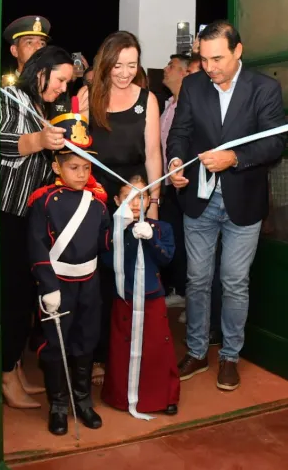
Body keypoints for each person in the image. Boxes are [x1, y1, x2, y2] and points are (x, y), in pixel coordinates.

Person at [167, 20, 286, 391]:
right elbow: (180, 133)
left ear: (238, 50)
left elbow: (273, 144)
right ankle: (199, 351)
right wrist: (174, 163)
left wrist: (233, 157)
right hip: (198, 200)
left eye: (217, 58)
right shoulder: (192, 85)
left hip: (244, 202)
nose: (210, 67)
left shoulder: (264, 89)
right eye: (204, 59)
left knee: (234, 282)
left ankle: (230, 356)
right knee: (197, 280)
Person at [0, 45, 77, 409]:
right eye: (60, 79)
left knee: (25, 300)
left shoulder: (39, 108)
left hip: (28, 218)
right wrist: (39, 141)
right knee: (12, 300)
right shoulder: (8, 98)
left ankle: (14, 369)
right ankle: (5, 376)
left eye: (67, 83)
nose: (63, 87)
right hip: (6, 217)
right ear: (41, 71)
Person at [87, 30, 164, 385]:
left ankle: (126, 353)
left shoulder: (147, 99)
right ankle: (96, 353)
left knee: (130, 274)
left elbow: (152, 154)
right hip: (95, 195)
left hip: (134, 197)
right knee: (97, 275)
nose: (124, 72)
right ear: (106, 64)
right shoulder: (87, 96)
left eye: (132, 65)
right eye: (118, 65)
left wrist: (154, 202)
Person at [27, 113, 110, 436]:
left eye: (86, 167)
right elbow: (37, 247)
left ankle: (83, 400)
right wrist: (47, 287)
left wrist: (128, 228)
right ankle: (59, 405)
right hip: (57, 285)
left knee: (85, 342)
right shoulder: (44, 202)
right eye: (73, 167)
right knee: (55, 346)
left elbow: (103, 244)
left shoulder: (99, 204)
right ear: (56, 167)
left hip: (89, 284)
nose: (81, 173)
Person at [100, 176, 180, 416]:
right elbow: (105, 260)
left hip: (152, 296)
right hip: (124, 296)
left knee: (158, 347)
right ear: (116, 201)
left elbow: (167, 259)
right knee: (121, 347)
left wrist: (151, 238)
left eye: (141, 197)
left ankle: (164, 397)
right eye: (128, 198)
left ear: (149, 201)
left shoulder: (162, 228)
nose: (135, 204)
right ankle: (120, 397)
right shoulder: (110, 231)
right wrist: (123, 233)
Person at [2, 14, 89, 120]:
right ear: (14, 50)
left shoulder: (60, 87)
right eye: (29, 42)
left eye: (42, 43)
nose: (38, 47)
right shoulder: (5, 89)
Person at [159, 54, 191, 308]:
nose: (165, 70)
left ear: (184, 73)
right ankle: (179, 289)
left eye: (171, 66)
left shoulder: (190, 107)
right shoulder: (168, 104)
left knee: (188, 239)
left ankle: (189, 295)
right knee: (172, 237)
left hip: (184, 182)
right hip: (166, 184)